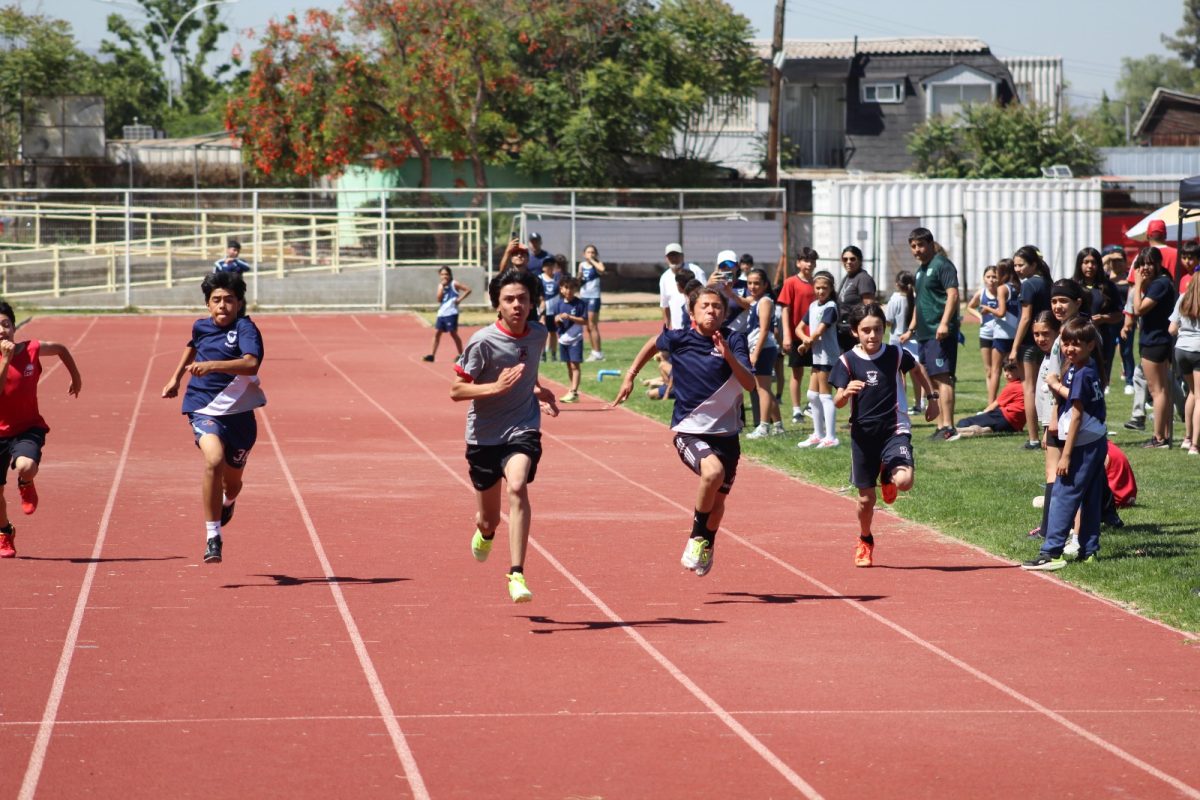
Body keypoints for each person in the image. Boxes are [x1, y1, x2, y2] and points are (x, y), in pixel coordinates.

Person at [612, 286, 754, 577]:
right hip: (690, 432)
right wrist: (630, 376)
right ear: (692, 312)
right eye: (705, 306)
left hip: (727, 436)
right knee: (711, 473)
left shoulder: (735, 340)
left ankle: (707, 543)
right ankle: (697, 537)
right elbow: (654, 342)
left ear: (724, 313)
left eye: (717, 306)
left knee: (718, 503)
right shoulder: (680, 338)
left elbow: (750, 384)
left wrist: (728, 356)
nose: (711, 311)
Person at [451, 268, 559, 603]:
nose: (517, 305)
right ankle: (485, 532)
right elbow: (456, 390)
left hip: (522, 427)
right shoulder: (482, 342)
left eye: (523, 299)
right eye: (509, 299)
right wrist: (495, 387)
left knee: (517, 485)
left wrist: (540, 391)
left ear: (531, 303)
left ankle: (516, 573)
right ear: (497, 304)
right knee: (488, 519)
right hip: (483, 436)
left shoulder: (538, 334)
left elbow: (530, 372)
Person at [161, 271, 265, 565]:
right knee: (214, 459)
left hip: (239, 412)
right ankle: (212, 535)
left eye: (229, 300)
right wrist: (175, 378)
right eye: (216, 300)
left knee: (232, 485)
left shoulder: (246, 329)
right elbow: (192, 345)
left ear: (239, 303)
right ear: (207, 304)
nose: (223, 306)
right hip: (202, 406)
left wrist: (213, 366)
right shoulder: (201, 326)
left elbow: (251, 362)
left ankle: (228, 503)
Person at [831, 304, 938, 567]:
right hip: (863, 436)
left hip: (894, 430)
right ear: (856, 332)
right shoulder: (847, 361)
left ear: (884, 329)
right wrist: (845, 392)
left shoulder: (896, 354)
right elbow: (837, 402)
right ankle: (865, 539)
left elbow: (917, 369)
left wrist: (931, 397)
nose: (872, 335)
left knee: (905, 481)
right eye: (866, 330)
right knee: (866, 500)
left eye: (877, 329)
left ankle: (889, 475)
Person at [1022, 317, 1108, 570]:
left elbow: (1078, 415)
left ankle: (1052, 552)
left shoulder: (1082, 372)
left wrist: (1066, 455)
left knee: (1063, 494)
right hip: (1095, 440)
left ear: (1091, 345)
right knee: (1090, 496)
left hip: (1082, 443)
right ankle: (1089, 549)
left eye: (1076, 344)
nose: (1069, 349)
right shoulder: (1083, 367)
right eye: (1066, 343)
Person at [0, 303, 82, 559]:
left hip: (28, 427)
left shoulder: (32, 349)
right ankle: (5, 532)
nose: (1, 330)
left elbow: (60, 349)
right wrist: (6, 360)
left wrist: (76, 377)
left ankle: (26, 482)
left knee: (25, 465)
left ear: (14, 327)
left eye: (5, 324)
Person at [900, 228, 959, 441]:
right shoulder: (920, 271)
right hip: (924, 334)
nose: (917, 250)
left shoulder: (942, 265)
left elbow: (953, 295)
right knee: (931, 379)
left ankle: (949, 427)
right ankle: (940, 425)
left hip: (939, 332)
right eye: (913, 246)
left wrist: (944, 323)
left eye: (921, 245)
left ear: (931, 244)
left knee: (942, 378)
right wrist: (911, 329)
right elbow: (919, 302)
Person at [1127, 246, 1177, 448]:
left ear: (1158, 263)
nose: (1145, 267)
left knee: (1157, 391)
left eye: (1149, 263)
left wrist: (1138, 284)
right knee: (1162, 389)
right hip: (1159, 341)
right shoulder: (1162, 283)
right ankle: (1163, 435)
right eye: (1142, 264)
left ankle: (1158, 438)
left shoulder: (1159, 284)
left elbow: (1138, 309)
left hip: (1155, 342)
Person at [1006, 245, 1053, 450]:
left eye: (1021, 265)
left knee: (1030, 389)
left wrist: (1015, 347)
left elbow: (1025, 318)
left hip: (1029, 342)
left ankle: (1034, 438)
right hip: (1048, 339)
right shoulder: (1047, 282)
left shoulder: (1028, 285)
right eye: (1015, 265)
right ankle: (1047, 433)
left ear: (1033, 264)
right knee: (1047, 386)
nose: (1017, 269)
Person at [796, 271, 840, 448]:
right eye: (818, 287)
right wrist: (804, 340)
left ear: (830, 289)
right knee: (812, 395)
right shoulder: (813, 305)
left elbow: (820, 330)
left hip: (827, 355)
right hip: (816, 354)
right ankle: (818, 433)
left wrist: (807, 342)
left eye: (824, 288)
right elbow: (799, 327)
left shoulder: (831, 307)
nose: (821, 291)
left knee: (824, 395)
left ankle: (831, 437)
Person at [778, 248, 818, 424]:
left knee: (818, 371)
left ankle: (811, 406)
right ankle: (796, 410)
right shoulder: (791, 282)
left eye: (812, 260)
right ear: (798, 263)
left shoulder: (819, 282)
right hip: (797, 335)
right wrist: (787, 335)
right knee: (797, 373)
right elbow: (785, 310)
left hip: (816, 336)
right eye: (805, 260)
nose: (809, 263)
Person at [1074, 247, 1122, 391]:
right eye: (1086, 262)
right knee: (1077, 381)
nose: (1090, 266)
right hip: (1076, 340)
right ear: (1079, 264)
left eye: (1093, 262)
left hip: (1103, 341)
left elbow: (1119, 314)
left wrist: (1103, 318)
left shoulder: (1108, 286)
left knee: (1099, 382)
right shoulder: (1072, 286)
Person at [744, 267, 783, 438]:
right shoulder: (756, 301)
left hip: (764, 349)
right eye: (750, 283)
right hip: (760, 348)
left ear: (765, 285)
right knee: (764, 388)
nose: (752, 286)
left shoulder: (765, 301)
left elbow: (765, 329)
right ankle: (779, 425)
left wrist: (755, 353)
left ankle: (763, 426)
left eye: (756, 283)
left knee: (763, 389)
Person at [951, 360, 1025, 438]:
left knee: (964, 422)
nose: (1006, 374)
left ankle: (953, 432)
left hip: (1004, 417)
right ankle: (972, 432)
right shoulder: (1026, 385)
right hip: (1014, 426)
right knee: (988, 428)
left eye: (1010, 370)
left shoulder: (1013, 386)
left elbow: (993, 405)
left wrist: (982, 413)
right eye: (1005, 370)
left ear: (1020, 370)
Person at [1169, 270, 1200, 454]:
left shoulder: (1182, 298)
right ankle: (1195, 444)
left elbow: (1172, 328)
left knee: (1192, 392)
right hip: (1198, 350)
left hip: (1181, 350)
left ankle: (1187, 439)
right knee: (1199, 397)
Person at [885, 270, 924, 413]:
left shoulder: (894, 299)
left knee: (900, 374)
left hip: (897, 339)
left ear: (897, 284)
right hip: (914, 339)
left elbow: (888, 321)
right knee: (916, 372)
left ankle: (901, 405)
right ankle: (919, 403)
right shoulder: (916, 296)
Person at [967, 265, 1002, 405]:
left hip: (1001, 334)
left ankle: (999, 400)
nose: (991, 280)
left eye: (994, 276)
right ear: (984, 278)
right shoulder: (981, 293)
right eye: (988, 277)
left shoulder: (1002, 292)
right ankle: (991, 401)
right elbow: (970, 306)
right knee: (988, 370)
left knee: (998, 369)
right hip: (986, 333)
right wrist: (979, 316)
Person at [1103, 245, 1136, 393]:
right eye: (1113, 260)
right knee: (1108, 351)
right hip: (1110, 319)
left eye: (1119, 260)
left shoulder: (1130, 277)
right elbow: (1099, 265)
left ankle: (1129, 382)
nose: (1116, 263)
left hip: (1126, 319)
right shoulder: (1105, 278)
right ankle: (1106, 382)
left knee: (1127, 351)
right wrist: (1108, 257)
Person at [424, 266, 472, 363]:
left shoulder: (454, 283)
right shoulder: (440, 285)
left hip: (451, 312)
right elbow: (439, 299)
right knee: (437, 333)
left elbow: (468, 290)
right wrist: (442, 287)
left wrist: (459, 300)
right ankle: (432, 355)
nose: (444, 276)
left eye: (446, 274)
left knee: (453, 333)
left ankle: (461, 355)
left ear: (450, 275)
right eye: (442, 274)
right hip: (442, 313)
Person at [835, 245, 876, 352]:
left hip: (855, 333)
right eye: (845, 259)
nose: (848, 262)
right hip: (844, 331)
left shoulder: (863, 278)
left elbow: (869, 308)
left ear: (860, 260)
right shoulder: (848, 277)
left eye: (852, 259)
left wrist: (863, 332)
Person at [554, 276, 587, 403]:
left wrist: (570, 317)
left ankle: (574, 391)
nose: (569, 290)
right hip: (563, 339)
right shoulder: (559, 304)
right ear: (561, 289)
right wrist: (557, 320)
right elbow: (556, 322)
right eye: (566, 287)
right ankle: (572, 389)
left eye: (572, 288)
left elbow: (584, 321)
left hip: (575, 339)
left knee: (575, 365)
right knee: (569, 365)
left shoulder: (580, 304)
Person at [659, 243, 706, 327]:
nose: (673, 258)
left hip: (696, 328)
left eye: (676, 255)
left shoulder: (696, 271)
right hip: (677, 330)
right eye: (670, 256)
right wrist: (666, 330)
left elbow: (705, 296)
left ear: (682, 256)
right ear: (666, 258)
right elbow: (665, 306)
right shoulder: (664, 278)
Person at [578, 243, 606, 362]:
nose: (590, 254)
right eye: (588, 252)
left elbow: (602, 270)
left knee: (593, 325)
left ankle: (598, 352)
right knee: (588, 326)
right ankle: (594, 351)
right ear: (584, 254)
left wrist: (593, 261)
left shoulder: (597, 264)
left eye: (593, 252)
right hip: (583, 296)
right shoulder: (582, 265)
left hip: (593, 297)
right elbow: (579, 278)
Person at [538, 255, 563, 360]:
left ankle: (553, 354)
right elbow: (538, 294)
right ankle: (542, 354)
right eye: (547, 265)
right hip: (544, 310)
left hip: (555, 310)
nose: (549, 267)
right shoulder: (540, 278)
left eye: (551, 265)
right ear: (543, 267)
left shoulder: (557, 278)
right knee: (543, 332)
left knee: (553, 332)